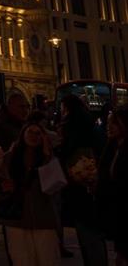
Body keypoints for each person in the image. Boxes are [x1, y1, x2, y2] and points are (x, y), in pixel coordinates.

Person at [0, 121, 61, 265]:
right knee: (22, 259)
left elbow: (54, 186)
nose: (33, 136)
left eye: (38, 133)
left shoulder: (48, 158)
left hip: (42, 216)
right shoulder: (9, 158)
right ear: (23, 133)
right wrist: (2, 188)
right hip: (16, 216)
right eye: (30, 132)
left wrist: (47, 154)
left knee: (47, 258)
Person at [58, 94, 107, 265]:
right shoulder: (92, 123)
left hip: (78, 182)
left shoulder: (70, 126)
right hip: (93, 180)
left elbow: (65, 150)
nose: (61, 111)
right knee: (93, 230)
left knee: (86, 229)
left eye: (63, 108)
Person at [99, 107, 128, 266]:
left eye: (114, 123)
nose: (108, 126)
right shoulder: (111, 147)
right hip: (117, 211)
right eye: (108, 122)